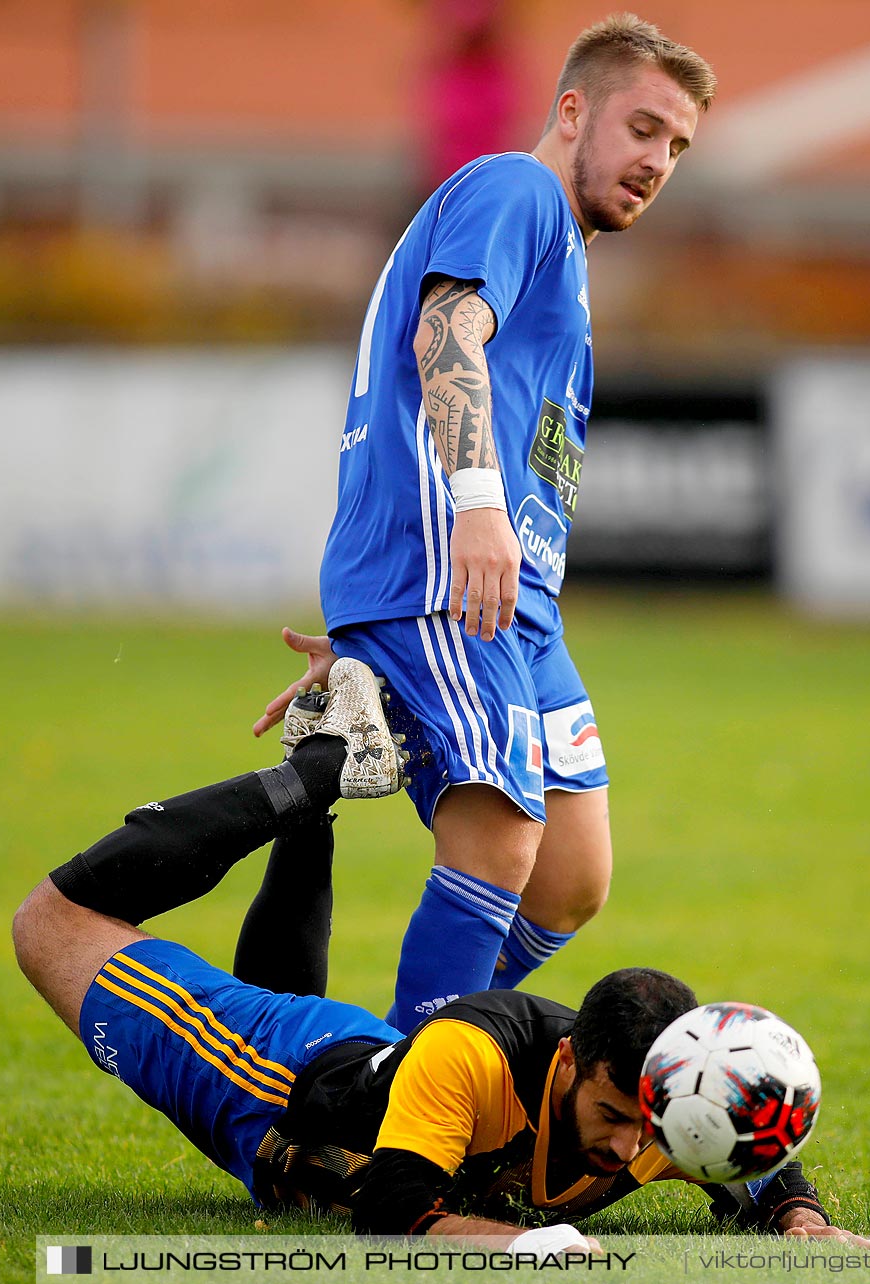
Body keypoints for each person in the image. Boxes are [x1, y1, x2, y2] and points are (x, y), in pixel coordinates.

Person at [13, 681, 870, 1253]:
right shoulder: (475, 1056)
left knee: (286, 992)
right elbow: (390, 1213)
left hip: (363, 1059)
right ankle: (316, 777)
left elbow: (759, 1174)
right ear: (569, 1065)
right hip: (268, 1078)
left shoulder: (660, 1111)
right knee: (51, 924)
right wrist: (526, 1248)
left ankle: (309, 788)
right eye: (610, 1116)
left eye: (650, 1130)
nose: (630, 1149)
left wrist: (809, 1227)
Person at [250, 13, 715, 1029]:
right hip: (448, 576)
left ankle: (414, 1053)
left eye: (677, 147)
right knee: (501, 841)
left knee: (569, 878)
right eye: (642, 129)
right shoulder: (519, 191)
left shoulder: (564, 251)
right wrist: (464, 518)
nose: (657, 162)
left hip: (505, 602)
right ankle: (412, 1123)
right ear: (571, 109)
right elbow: (445, 329)